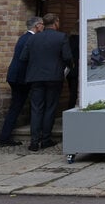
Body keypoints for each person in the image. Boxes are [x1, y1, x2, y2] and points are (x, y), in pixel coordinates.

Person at [20, 13, 72, 151]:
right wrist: (67, 67)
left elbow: (23, 57)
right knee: (50, 108)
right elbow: (67, 57)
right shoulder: (61, 37)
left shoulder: (32, 38)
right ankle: (46, 139)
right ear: (56, 22)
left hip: (35, 77)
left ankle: (34, 142)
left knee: (36, 108)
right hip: (54, 77)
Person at [0, 16, 44, 146]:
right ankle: (4, 138)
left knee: (16, 107)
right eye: (42, 25)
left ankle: (4, 136)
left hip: (15, 76)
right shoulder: (31, 38)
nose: (43, 27)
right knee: (18, 107)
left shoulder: (23, 37)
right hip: (21, 78)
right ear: (37, 26)